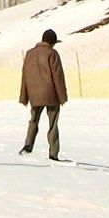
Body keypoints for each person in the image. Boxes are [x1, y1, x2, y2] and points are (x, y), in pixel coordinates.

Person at [19, 28, 68, 160]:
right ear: (52, 42)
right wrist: (62, 96)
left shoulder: (29, 54)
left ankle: (28, 144)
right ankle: (53, 153)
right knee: (53, 124)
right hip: (51, 94)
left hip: (34, 94)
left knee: (33, 120)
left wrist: (24, 96)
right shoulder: (52, 53)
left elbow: (25, 76)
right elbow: (58, 76)